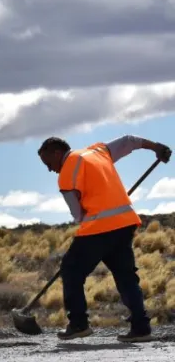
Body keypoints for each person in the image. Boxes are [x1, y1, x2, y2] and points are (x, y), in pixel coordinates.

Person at [37, 134, 171, 342]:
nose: (49, 169)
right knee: (126, 277)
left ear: (56, 153)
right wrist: (156, 147)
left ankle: (79, 324)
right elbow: (129, 141)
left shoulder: (66, 176)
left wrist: (92, 211)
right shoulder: (98, 151)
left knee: (71, 270)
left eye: (48, 163)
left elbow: (78, 215)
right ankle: (141, 328)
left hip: (98, 229)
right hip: (125, 223)